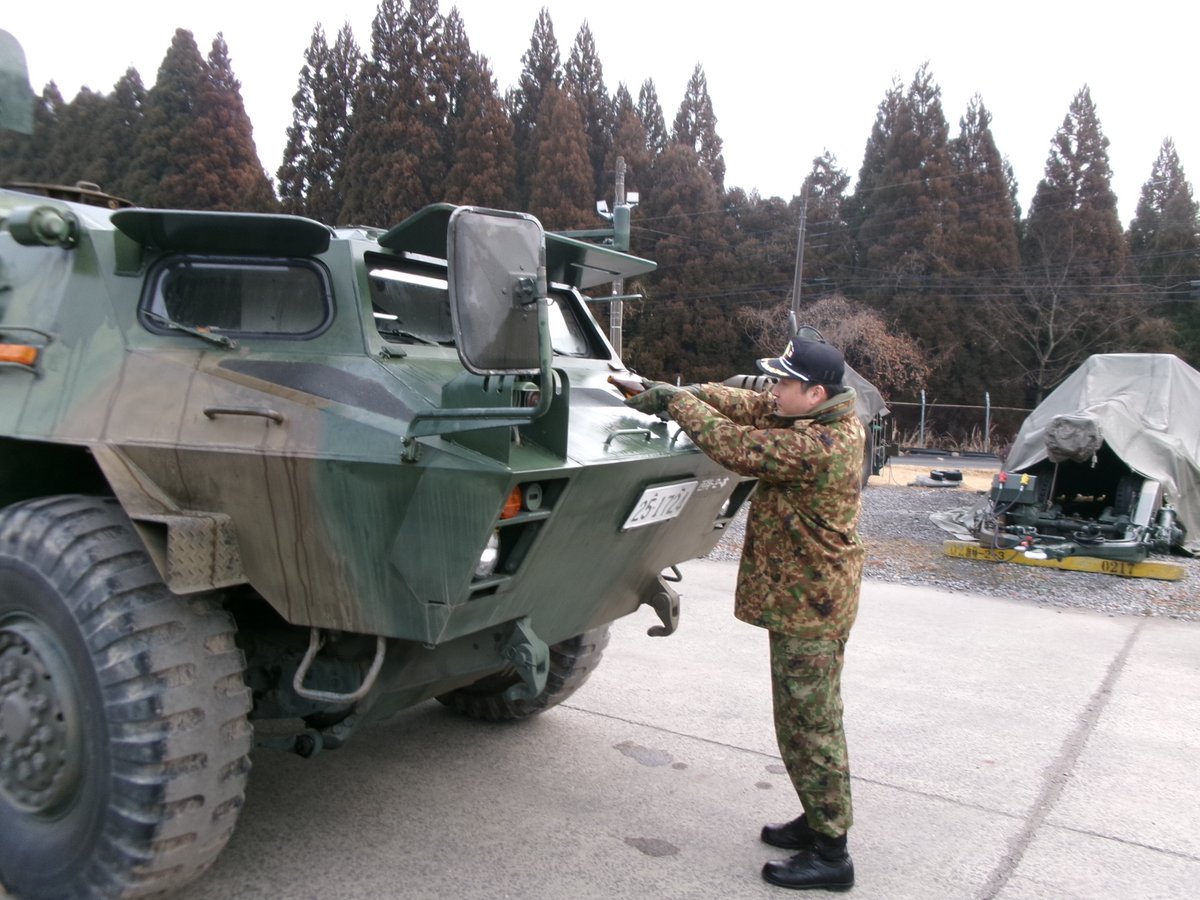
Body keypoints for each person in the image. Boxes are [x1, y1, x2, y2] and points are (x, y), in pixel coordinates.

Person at [624, 336, 865, 892]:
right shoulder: (806, 415)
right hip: (806, 597)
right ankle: (818, 817)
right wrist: (676, 390)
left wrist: (672, 404)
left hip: (812, 606)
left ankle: (833, 854)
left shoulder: (822, 444)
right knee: (803, 719)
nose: (774, 390)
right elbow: (744, 403)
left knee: (810, 723)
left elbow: (738, 448)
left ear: (816, 392)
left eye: (784, 382)